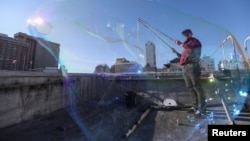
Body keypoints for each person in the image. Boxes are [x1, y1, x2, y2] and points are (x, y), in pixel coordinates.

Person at [173, 28, 206, 117]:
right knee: (190, 87)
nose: (185, 36)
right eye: (184, 35)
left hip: (193, 66)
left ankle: (202, 109)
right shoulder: (186, 44)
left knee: (197, 87)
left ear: (191, 34)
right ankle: (195, 106)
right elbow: (184, 57)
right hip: (185, 67)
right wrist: (176, 53)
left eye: (187, 34)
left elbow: (191, 51)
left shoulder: (195, 42)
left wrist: (180, 44)